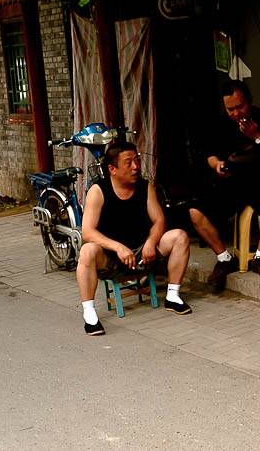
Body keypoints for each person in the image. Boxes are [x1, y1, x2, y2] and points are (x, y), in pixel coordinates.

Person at [75, 142, 192, 336]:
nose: (136, 167)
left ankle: (173, 296)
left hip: (142, 253)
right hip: (111, 257)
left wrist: (151, 242)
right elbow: (87, 231)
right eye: (128, 163)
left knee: (179, 236)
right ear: (112, 169)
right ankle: (89, 313)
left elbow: (159, 220)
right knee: (87, 251)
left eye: (137, 161)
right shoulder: (98, 190)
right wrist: (117, 247)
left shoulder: (145, 186)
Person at [190, 80, 260, 291]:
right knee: (195, 212)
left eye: (240, 107)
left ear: (250, 102)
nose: (236, 113)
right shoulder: (220, 125)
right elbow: (210, 155)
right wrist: (217, 165)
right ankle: (224, 258)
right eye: (230, 109)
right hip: (231, 183)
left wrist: (257, 137)